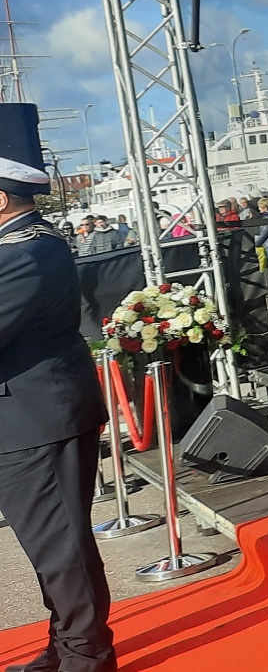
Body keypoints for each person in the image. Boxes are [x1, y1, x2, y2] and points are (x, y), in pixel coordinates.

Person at [0, 157, 116, 672]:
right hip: (31, 416)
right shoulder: (23, 244)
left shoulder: (24, 252)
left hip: (36, 419)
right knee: (51, 544)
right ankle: (67, 645)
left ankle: (86, 657)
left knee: (60, 546)